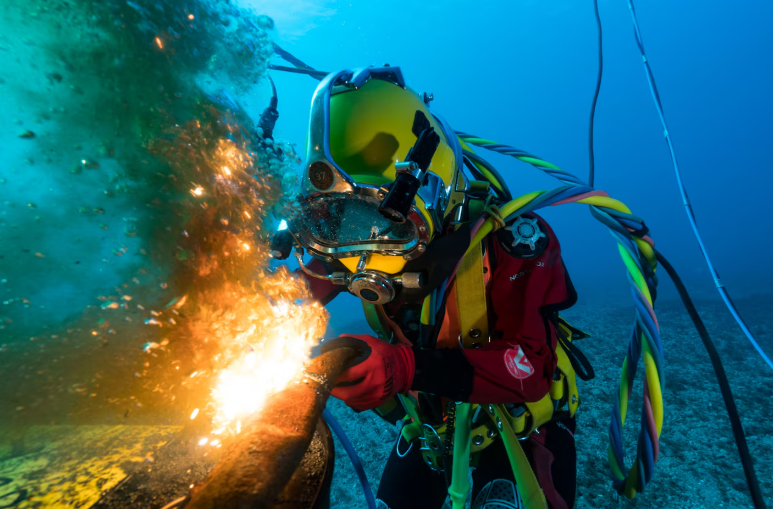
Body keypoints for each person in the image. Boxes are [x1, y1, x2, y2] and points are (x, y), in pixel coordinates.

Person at [273, 66, 591, 509]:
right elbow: (283, 300)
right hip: (432, 426)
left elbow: (531, 367)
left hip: (521, 421)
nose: (361, 249)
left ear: (431, 189)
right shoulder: (343, 243)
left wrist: (407, 368)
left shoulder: (515, 242)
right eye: (337, 219)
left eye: (382, 219)